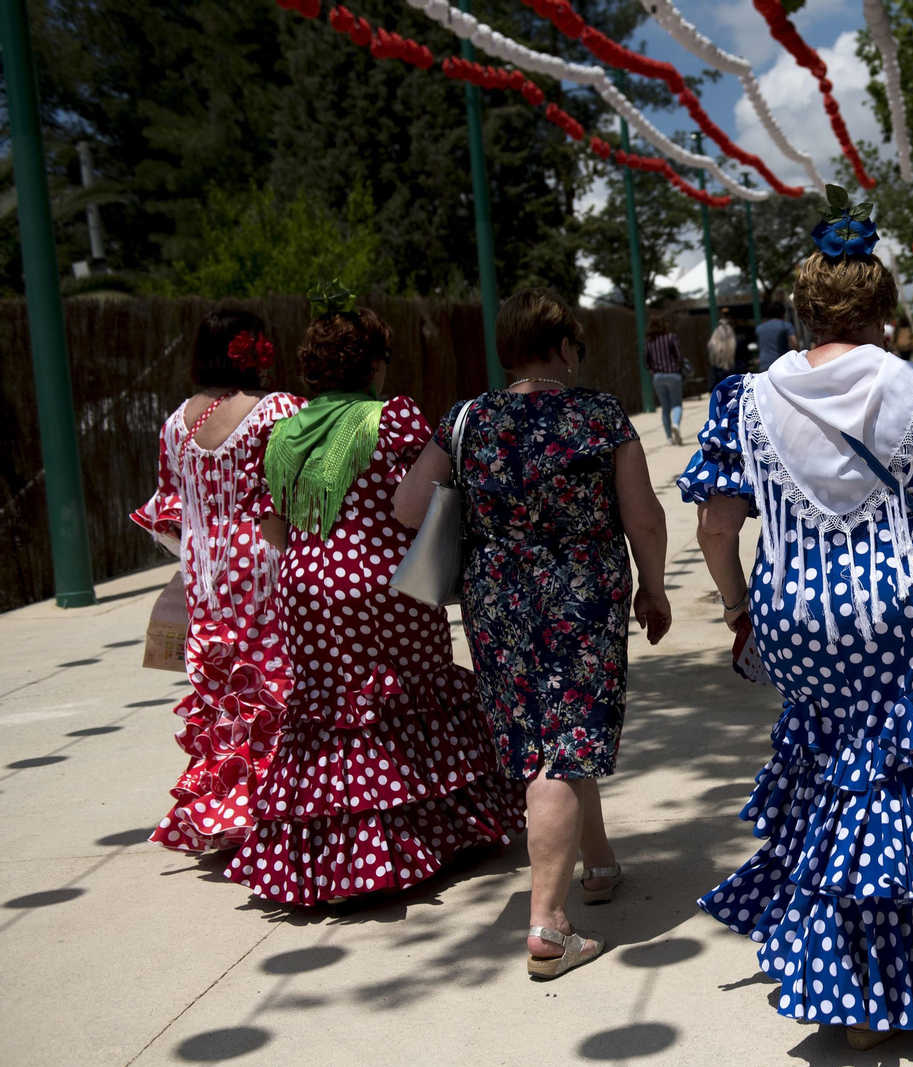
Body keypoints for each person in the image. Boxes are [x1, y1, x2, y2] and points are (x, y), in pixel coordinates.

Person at [678, 194, 913, 1049]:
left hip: (796, 614)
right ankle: (873, 983)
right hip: (901, 609)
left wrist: (737, 608)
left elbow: (716, 527)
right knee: (891, 775)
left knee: (829, 762)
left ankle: (832, 949)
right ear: (884, 308)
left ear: (801, 308)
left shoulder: (748, 399)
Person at [396, 286, 671, 979]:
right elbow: (642, 518)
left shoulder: (466, 418)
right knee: (565, 743)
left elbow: (405, 508)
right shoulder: (599, 415)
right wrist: (654, 585)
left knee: (549, 733)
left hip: (496, 599)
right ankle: (549, 926)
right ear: (563, 347)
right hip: (583, 595)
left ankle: (599, 862)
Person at [226, 297, 523, 907]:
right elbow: (422, 500)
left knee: (332, 710)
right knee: (409, 697)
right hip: (386, 587)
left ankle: (335, 861)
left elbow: (273, 526)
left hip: (306, 591)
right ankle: (430, 837)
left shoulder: (283, 430)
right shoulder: (393, 418)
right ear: (372, 364)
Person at [131, 311, 303, 853]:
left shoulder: (175, 422)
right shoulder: (278, 410)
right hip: (266, 565)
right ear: (256, 351)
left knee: (228, 690)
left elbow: (167, 518)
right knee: (277, 681)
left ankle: (231, 811)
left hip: (205, 573)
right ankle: (282, 807)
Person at [645, 313, 685, 445]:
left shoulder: (648, 342)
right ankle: (676, 424)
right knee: (677, 404)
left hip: (657, 376)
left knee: (665, 407)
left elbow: (646, 362)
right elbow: (679, 356)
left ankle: (669, 438)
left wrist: (655, 370)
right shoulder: (671, 337)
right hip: (673, 374)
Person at [756, 304, 798, 372]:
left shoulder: (759, 328)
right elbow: (794, 343)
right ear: (783, 313)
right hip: (781, 364)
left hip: (764, 365)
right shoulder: (786, 326)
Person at [708, 312, 738, 391]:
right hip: (735, 379)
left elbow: (710, 362)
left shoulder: (712, 345)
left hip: (718, 380)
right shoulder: (737, 342)